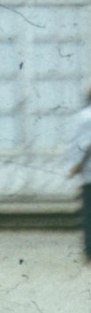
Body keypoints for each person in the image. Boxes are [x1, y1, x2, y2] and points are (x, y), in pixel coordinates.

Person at [69, 88, 91, 262]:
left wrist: (76, 165)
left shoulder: (85, 117)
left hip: (89, 173)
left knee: (89, 214)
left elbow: (85, 144)